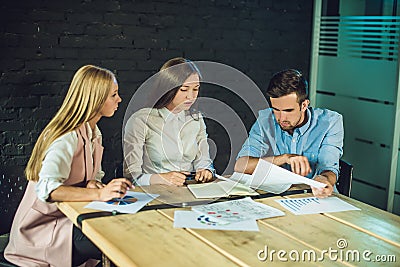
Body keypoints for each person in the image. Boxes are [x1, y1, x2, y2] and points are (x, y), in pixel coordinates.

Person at [5, 65, 133, 267]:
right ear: (95, 99)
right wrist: (100, 195)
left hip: (68, 219)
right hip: (44, 230)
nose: (119, 99)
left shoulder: (94, 133)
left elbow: (90, 176)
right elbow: (48, 189)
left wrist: (91, 183)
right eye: (113, 95)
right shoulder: (67, 137)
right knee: (120, 244)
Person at [234, 69, 343, 198]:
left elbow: (329, 169)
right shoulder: (266, 120)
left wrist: (324, 179)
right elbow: (241, 166)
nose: (281, 118)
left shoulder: (330, 122)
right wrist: (284, 158)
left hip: (317, 198)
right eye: (276, 109)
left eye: (288, 110)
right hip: (279, 198)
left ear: (304, 105)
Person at [124, 57, 214, 186]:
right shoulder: (141, 120)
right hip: (154, 192)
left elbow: (204, 159)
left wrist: (206, 170)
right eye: (184, 89)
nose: (191, 96)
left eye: (196, 89)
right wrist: (161, 178)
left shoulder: (196, 119)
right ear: (169, 87)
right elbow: (131, 176)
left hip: (190, 189)